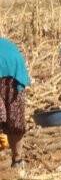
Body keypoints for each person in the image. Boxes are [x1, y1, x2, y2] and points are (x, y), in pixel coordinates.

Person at [0, 37, 30, 169]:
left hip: (11, 66)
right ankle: (17, 160)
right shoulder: (6, 44)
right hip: (16, 70)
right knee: (15, 119)